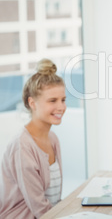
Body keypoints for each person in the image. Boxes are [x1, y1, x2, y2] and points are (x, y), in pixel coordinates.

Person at [0, 59, 66, 219]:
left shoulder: (53, 139)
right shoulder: (22, 147)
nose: (61, 107)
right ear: (32, 103)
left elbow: (53, 199)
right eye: (52, 101)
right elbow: (40, 208)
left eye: (63, 100)